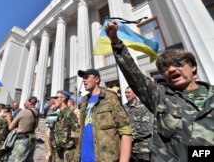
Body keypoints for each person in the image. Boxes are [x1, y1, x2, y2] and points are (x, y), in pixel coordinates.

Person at [106, 21, 214, 161]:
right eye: (165, 68)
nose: (171, 69)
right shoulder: (159, 95)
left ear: (192, 66)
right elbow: (133, 74)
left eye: (178, 63)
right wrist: (115, 42)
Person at [77, 69, 133, 161]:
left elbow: (125, 130)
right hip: (84, 158)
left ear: (97, 79)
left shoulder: (110, 97)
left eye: (87, 77)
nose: (84, 80)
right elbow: (82, 130)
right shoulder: (84, 100)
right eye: (83, 78)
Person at [123, 86, 153, 162]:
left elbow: (147, 127)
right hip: (129, 150)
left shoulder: (144, 107)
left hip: (143, 149)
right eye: (125, 93)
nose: (126, 95)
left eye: (128, 92)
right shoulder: (123, 108)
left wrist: (132, 136)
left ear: (135, 94)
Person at [8, 96, 39, 162]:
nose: (24, 103)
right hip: (32, 139)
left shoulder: (24, 112)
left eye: (26, 101)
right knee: (28, 159)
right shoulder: (37, 112)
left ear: (31, 102)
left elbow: (10, 127)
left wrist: (8, 119)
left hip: (22, 140)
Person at [52, 90, 79, 162]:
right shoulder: (58, 113)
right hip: (58, 151)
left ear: (63, 98)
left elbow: (76, 135)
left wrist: (77, 154)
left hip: (68, 153)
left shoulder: (69, 114)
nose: (54, 100)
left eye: (56, 97)